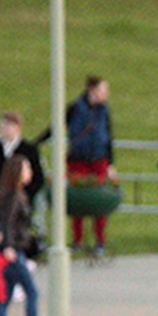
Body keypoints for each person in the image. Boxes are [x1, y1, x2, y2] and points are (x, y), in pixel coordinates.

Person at [64, 77, 114, 257]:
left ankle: (100, 240)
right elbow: (57, 126)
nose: (105, 94)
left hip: (99, 158)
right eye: (102, 90)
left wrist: (110, 163)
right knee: (78, 198)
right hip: (78, 158)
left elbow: (109, 135)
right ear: (92, 90)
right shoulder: (75, 108)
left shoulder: (104, 110)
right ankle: (77, 239)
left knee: (98, 200)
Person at [0, 156, 39, 316]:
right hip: (13, 251)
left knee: (7, 294)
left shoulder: (19, 194)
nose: (30, 173)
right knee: (32, 292)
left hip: (17, 248)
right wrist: (8, 246)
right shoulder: (13, 197)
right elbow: (7, 223)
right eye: (26, 169)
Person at [0, 112, 45, 211]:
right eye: (2, 126)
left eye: (8, 126)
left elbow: (38, 177)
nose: (4, 130)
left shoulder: (29, 149)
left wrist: (26, 195)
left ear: (18, 128)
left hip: (20, 200)